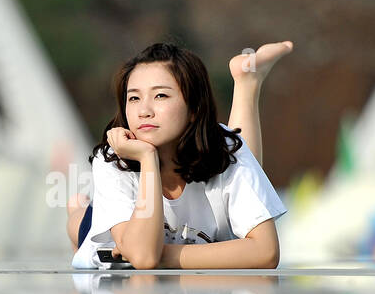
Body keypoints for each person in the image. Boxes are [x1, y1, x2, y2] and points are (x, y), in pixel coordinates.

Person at [67, 40, 293, 269]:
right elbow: (145, 258)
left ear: (194, 107)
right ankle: (77, 207)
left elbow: (266, 253)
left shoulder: (224, 144)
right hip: (105, 219)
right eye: (134, 98)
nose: (144, 111)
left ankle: (247, 82)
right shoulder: (115, 157)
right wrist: (147, 158)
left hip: (173, 235)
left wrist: (160, 253)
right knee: (80, 223)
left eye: (160, 96)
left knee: (234, 154)